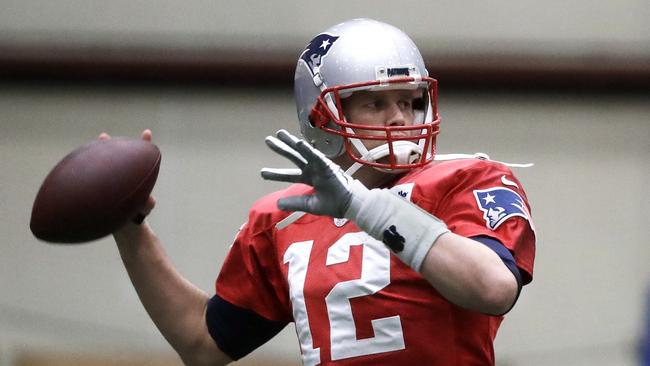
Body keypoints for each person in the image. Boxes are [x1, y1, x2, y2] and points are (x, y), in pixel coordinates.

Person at [111, 18, 536, 365]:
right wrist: (130, 232)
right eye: (375, 102)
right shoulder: (286, 217)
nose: (399, 118)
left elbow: (494, 289)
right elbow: (203, 343)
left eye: (410, 101)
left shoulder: (464, 179)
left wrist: (364, 206)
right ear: (323, 115)